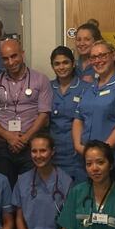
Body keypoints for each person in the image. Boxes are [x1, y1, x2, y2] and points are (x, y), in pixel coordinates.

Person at [0, 38, 53, 187]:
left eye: (14, 56)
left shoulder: (40, 79)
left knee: (30, 188)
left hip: (32, 146)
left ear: (22, 54)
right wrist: (9, 137)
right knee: (5, 189)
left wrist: (25, 138)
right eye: (5, 58)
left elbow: (44, 113)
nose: (10, 62)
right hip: (4, 145)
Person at [72, 40, 115, 191]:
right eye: (93, 57)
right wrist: (77, 145)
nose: (97, 60)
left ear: (113, 55)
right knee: (86, 205)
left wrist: (102, 152)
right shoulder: (88, 88)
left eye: (102, 55)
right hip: (86, 160)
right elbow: (78, 119)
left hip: (114, 160)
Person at [58, 140, 115, 229]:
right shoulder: (77, 193)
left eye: (100, 162)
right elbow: (66, 228)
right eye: (89, 164)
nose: (94, 168)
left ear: (111, 165)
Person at [12, 133, 72, 229]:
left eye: (43, 151)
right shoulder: (22, 181)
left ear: (52, 151)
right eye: (34, 151)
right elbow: (19, 218)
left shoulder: (66, 181)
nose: (38, 155)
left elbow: (69, 219)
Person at [49, 46, 89, 183]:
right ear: (52, 66)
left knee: (80, 193)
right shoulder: (47, 88)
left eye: (65, 62)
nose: (61, 67)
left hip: (77, 152)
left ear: (73, 64)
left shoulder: (86, 88)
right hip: (54, 152)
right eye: (57, 63)